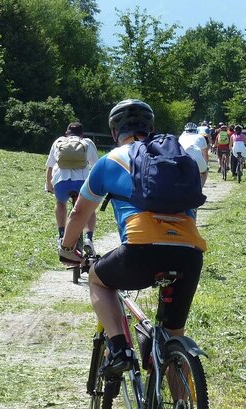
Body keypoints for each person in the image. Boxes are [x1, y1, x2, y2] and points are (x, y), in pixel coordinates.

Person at [58, 99, 207, 377]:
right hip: (189, 251)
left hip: (141, 250)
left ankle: (119, 348)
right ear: (150, 128)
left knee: (98, 280)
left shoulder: (109, 161)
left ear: (115, 132)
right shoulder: (175, 160)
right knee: (173, 335)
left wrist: (67, 247)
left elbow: (79, 212)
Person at [46, 122, 98, 248]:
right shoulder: (87, 143)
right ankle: (88, 238)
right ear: (82, 134)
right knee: (89, 208)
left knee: (60, 203)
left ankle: (61, 234)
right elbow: (96, 166)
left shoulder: (58, 142)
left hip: (61, 183)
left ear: (67, 133)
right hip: (81, 183)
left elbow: (50, 167)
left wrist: (49, 185)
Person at [179, 122, 210, 186]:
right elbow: (205, 155)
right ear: (196, 130)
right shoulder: (201, 137)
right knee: (204, 173)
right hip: (197, 160)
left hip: (183, 160)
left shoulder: (181, 137)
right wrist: (206, 166)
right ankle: (200, 190)